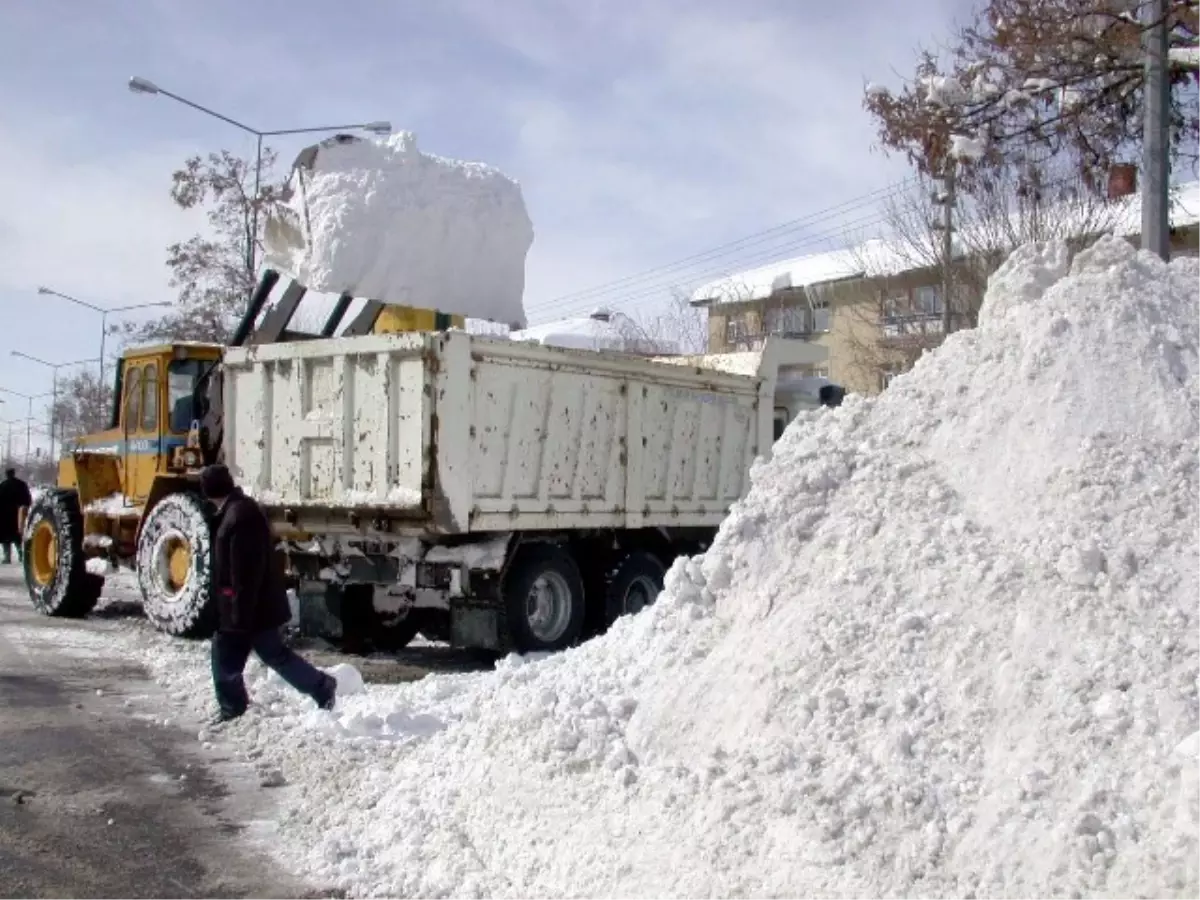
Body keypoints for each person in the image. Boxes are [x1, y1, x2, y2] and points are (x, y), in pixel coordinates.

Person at [200, 464, 337, 723]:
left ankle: (232, 709)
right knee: (274, 655)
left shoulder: (239, 516)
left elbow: (245, 571)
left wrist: (239, 615)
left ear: (211, 490)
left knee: (226, 656)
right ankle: (320, 686)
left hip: (245, 607)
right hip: (251, 605)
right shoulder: (236, 511)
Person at [0, 468, 33, 564]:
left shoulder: (2, 485)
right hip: (18, 514)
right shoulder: (21, 484)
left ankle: (7, 556)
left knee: (5, 536)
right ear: (14, 474)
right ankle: (21, 554)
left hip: (4, 515)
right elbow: (27, 499)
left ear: (7, 474)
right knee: (17, 535)